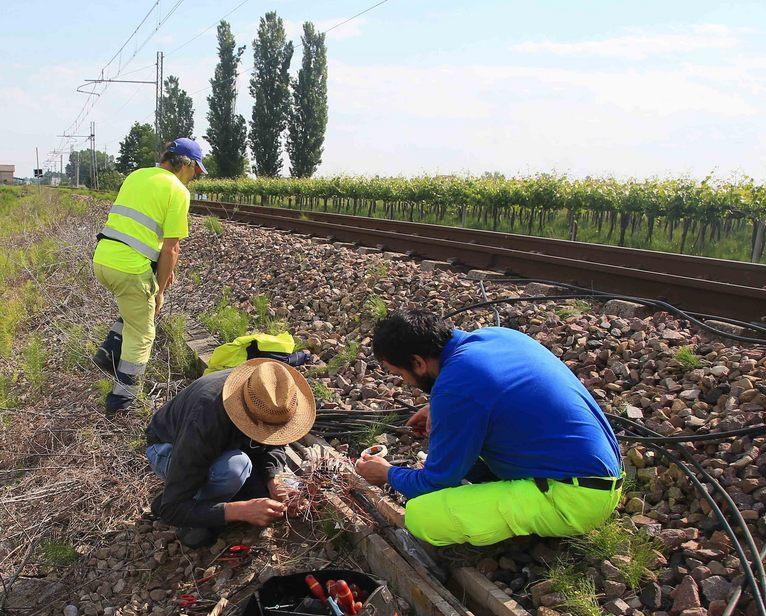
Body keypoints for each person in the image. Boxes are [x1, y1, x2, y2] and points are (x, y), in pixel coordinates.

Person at [355, 309, 623, 547]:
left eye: (401, 374)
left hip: (577, 500)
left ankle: (531, 532)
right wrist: (440, 410)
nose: (405, 382)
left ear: (417, 363)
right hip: (599, 477)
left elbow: (434, 483)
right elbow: (493, 393)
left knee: (422, 516)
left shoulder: (456, 387)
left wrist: (387, 474)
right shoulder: (495, 336)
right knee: (463, 454)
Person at [146, 358, 316, 548]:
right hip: (166, 448)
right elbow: (171, 510)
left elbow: (273, 441)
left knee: (262, 492)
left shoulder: (267, 398)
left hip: (222, 445)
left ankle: (206, 502)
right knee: (235, 469)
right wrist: (241, 511)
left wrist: (274, 479)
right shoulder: (205, 420)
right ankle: (191, 500)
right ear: (247, 417)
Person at [92, 138, 206, 415]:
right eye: (195, 171)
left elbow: (140, 231)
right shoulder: (178, 190)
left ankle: (108, 352)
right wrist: (160, 291)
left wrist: (163, 272)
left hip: (103, 259)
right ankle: (122, 401)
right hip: (130, 269)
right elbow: (171, 247)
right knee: (144, 330)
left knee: (135, 307)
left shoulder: (136, 175)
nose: (194, 178)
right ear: (185, 165)